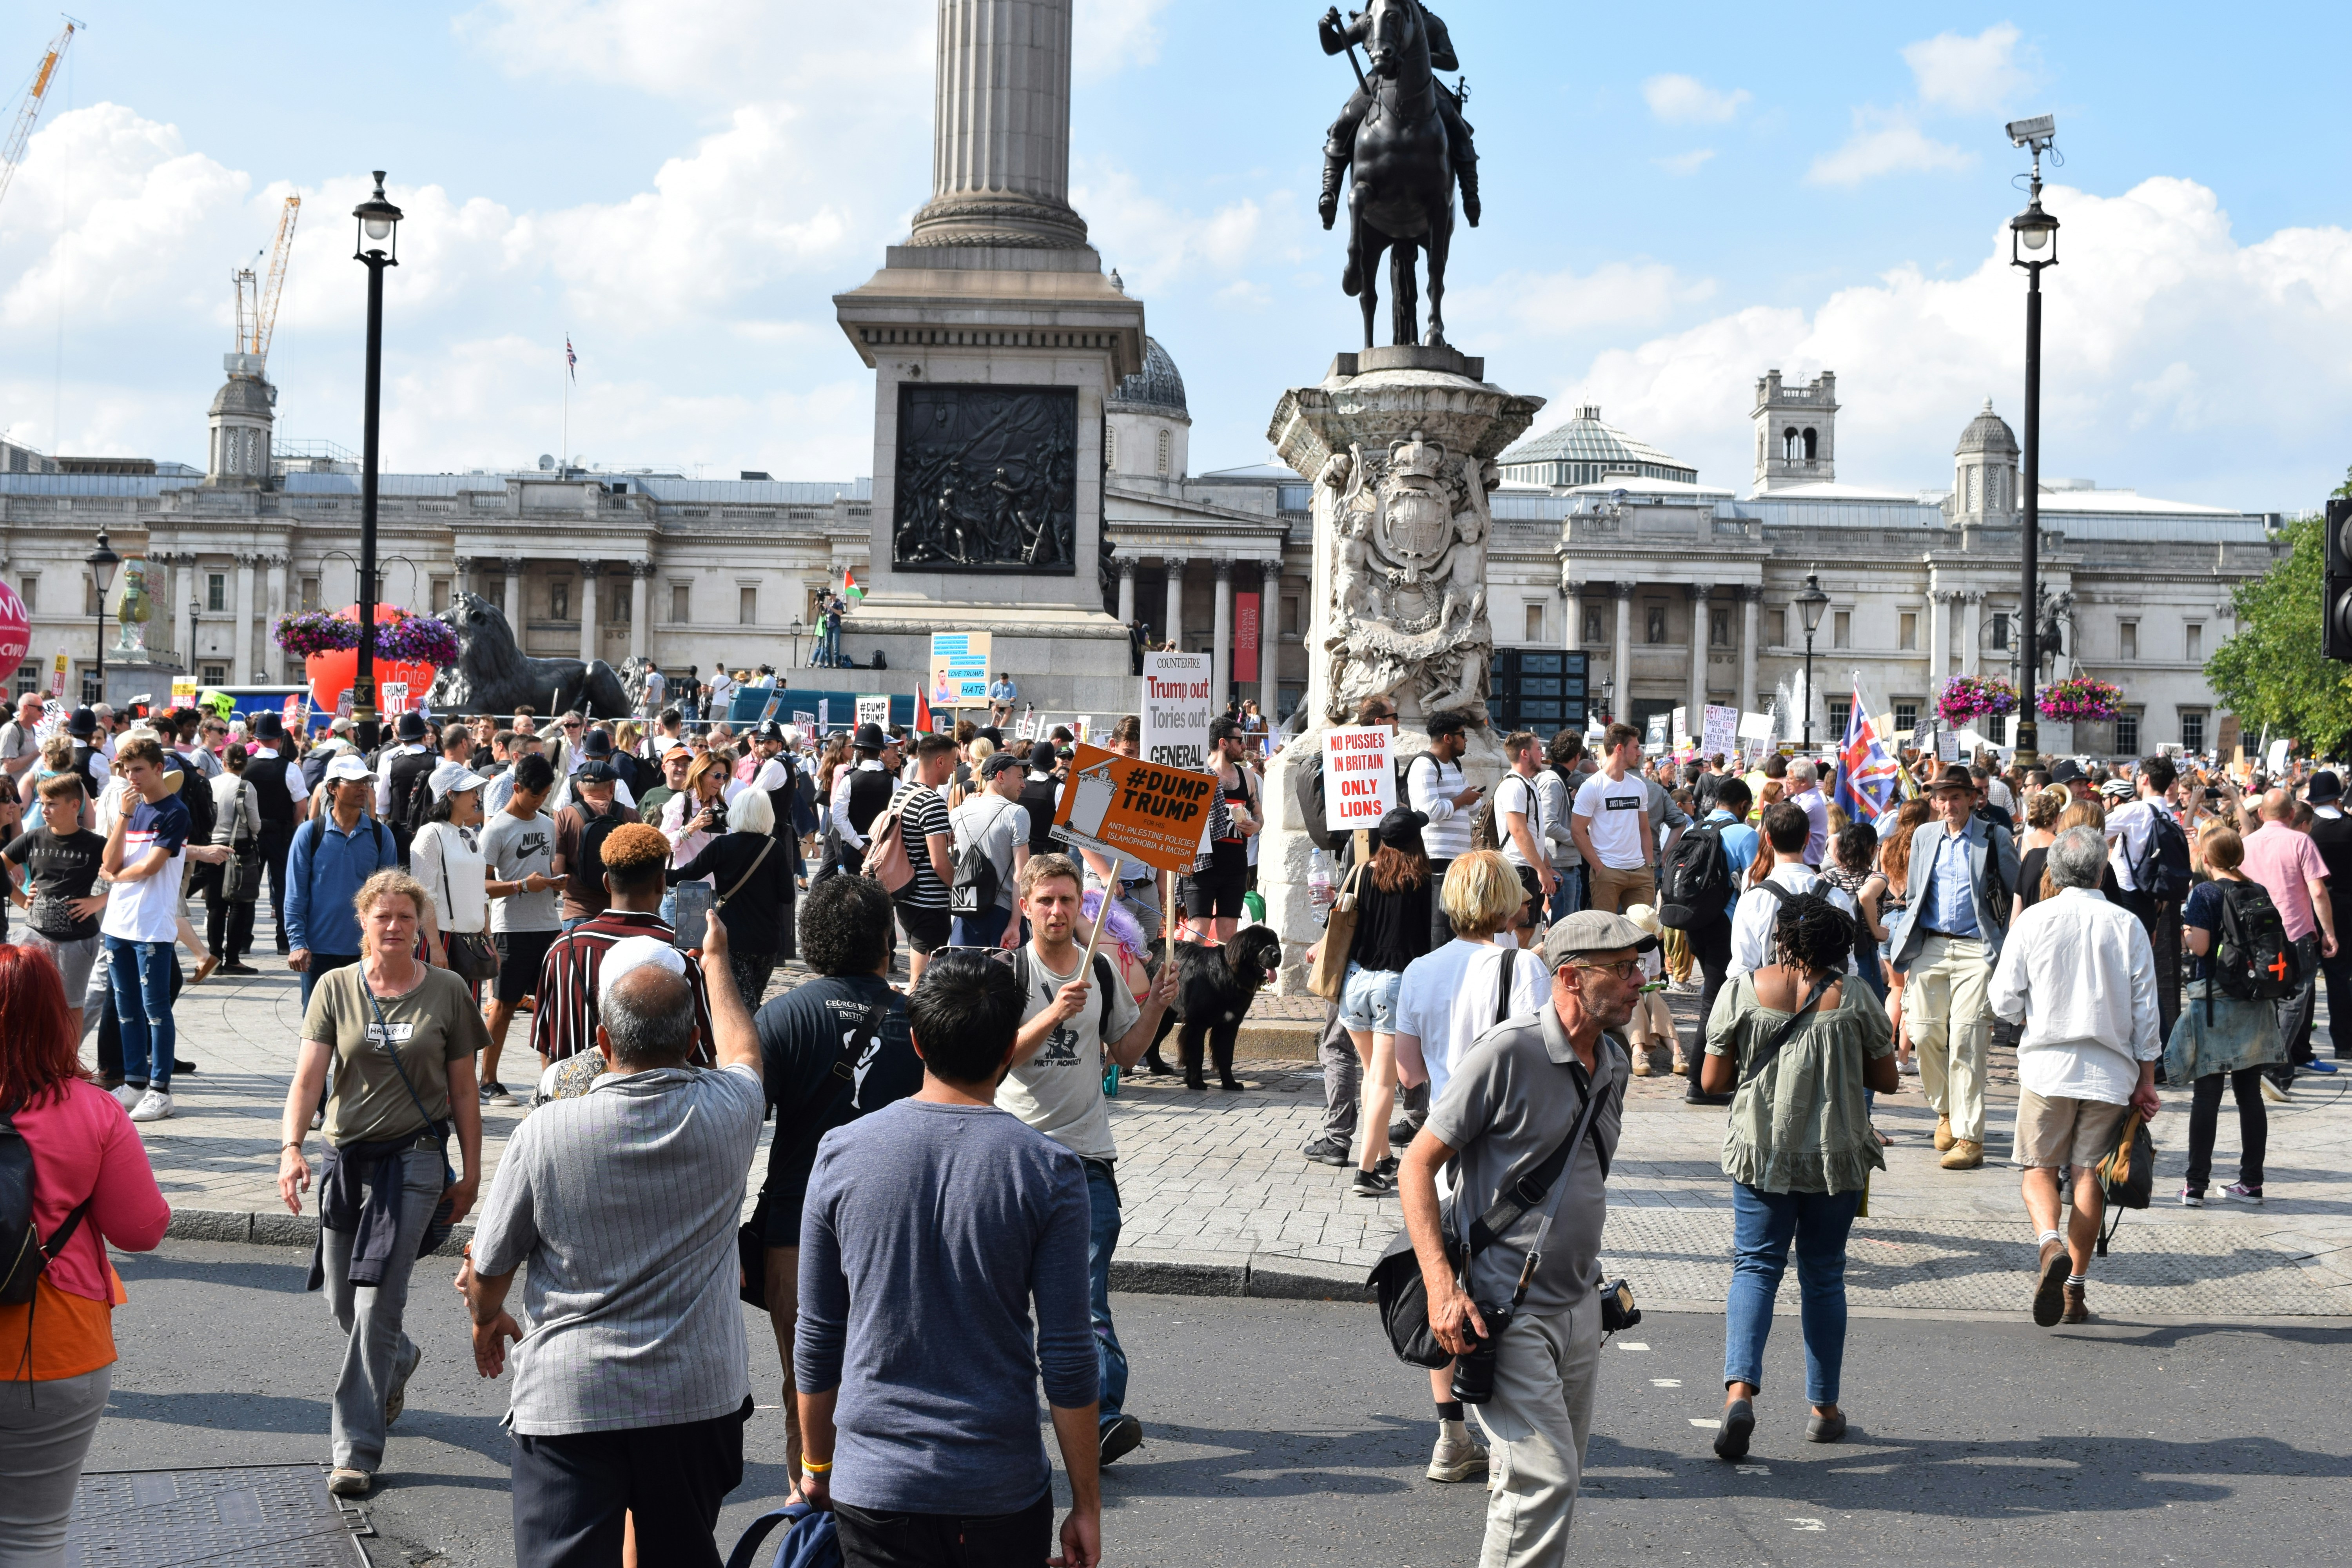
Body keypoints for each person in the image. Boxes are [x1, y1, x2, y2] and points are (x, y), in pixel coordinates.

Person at [464, 918, 761, 1563]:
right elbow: (744, 1052)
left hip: (571, 1399)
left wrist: (487, 1318)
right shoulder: (732, 1113)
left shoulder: (545, 1133)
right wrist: (715, 961)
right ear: (693, 1039)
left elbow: (488, 1268)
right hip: (695, 1396)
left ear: (602, 1041)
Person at [796, 948, 1102, 1568]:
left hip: (874, 1483)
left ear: (917, 1042)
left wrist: (816, 1465)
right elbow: (1068, 1355)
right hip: (999, 1486)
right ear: (1009, 1049)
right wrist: (1087, 1505)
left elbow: (819, 1333)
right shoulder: (1050, 1171)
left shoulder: (840, 1154)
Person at [1397, 909, 1638, 1565]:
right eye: (1622, 970)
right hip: (1507, 1309)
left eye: (1637, 968)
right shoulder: (1509, 1052)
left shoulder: (1613, 1061)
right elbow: (1416, 1166)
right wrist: (1443, 1289)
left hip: (1580, 1305)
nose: (1638, 982)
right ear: (1571, 977)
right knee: (1545, 1482)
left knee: (1541, 1483)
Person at [279, 869, 486, 1498]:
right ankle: (399, 1359)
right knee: (342, 1301)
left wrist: (473, 1173)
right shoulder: (335, 987)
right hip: (347, 1161)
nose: (395, 927)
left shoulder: (448, 991)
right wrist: (291, 1149)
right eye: (383, 917)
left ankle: (355, 1451)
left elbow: (464, 1091)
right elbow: (309, 1080)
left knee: (376, 1306)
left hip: (414, 1160)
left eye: (406, 917)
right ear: (363, 923)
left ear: (420, 925)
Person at [1699, 889, 1894, 1456]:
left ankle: (1739, 1394)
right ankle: (1824, 1408)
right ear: (1838, 945)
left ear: (1782, 939)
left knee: (1756, 1267)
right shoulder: (1855, 996)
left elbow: (1712, 1082)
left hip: (1763, 1151)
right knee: (1824, 1275)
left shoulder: (1742, 990)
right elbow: (1886, 1080)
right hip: (1835, 1155)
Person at [1000, 854, 1178, 1468]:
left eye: (1067, 901)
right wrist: (1055, 1012)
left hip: (1087, 1161)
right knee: (1002, 1300)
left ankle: (1102, 1419)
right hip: (1015, 1161)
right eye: (1046, 901)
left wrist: (1155, 1007)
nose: (1057, 911)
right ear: (1026, 907)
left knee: (1086, 1297)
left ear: (1082, 906)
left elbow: (1125, 1054)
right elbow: (996, 1060)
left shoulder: (1099, 969)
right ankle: (1002, 1413)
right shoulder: (1009, 973)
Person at [750, 876, 924, 1496]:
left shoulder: (780, 1017)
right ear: (886, 942)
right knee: (892, 1384)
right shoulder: (921, 1023)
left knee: (806, 1382)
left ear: (811, 942)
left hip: (796, 1232)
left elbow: (738, 1126)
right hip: (900, 1234)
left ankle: (808, 1505)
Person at [0, 942, 171, 1559]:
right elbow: (141, 1230)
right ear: (58, 1017)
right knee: (31, 1535)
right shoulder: (94, 1110)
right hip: (55, 1348)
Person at [1988, 826, 2162, 1326]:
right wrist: (2147, 1078)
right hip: (2110, 1072)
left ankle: (2049, 1244)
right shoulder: (2127, 924)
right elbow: (2147, 1011)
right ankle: (2074, 1289)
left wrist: (2030, 1015)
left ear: (2053, 873)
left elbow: (2003, 1000)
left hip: (2047, 1067)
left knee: (2039, 1168)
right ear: (2102, 871)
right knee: (2089, 1175)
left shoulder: (2034, 920)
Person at [1885, 765, 2018, 1172]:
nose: (1948, 805)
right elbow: (1914, 892)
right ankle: (1946, 1111)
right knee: (1923, 1033)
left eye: (1956, 797)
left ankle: (1970, 1138)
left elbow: (2014, 892)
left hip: (1977, 949)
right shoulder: (1925, 836)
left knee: (1966, 1040)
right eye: (1941, 798)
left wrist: (2007, 944)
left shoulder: (1994, 836)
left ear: (1973, 799)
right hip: (1931, 944)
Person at [532, 822, 716, 1071]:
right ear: (662, 884)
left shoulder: (563, 948)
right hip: (659, 1094)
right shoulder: (683, 953)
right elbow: (703, 1056)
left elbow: (547, 1047)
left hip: (575, 1093)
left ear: (607, 882)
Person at [2169, 825, 2285, 1205]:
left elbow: (2201, 947)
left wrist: (2186, 932)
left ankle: (2195, 1185)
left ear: (2206, 858)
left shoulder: (2204, 893)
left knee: (2208, 1094)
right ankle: (2251, 1182)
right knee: (2249, 1094)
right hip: (2253, 997)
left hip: (2215, 1000)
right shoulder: (2257, 889)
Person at [1328, 807, 1437, 1197]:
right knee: (1383, 1082)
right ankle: (1366, 1171)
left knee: (1373, 1075)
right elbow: (1423, 943)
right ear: (1414, 841)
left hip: (1355, 982)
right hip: (1394, 984)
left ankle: (1383, 1156)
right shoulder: (1420, 880)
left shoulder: (1362, 873)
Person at [97, 737, 190, 1123]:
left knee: (155, 1010)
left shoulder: (175, 811)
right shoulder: (130, 808)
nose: (131, 776)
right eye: (126, 769)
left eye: (138, 769)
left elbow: (150, 867)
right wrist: (123, 816)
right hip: (118, 923)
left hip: (152, 925)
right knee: (126, 1009)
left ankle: (160, 1090)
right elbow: (110, 860)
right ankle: (134, 1082)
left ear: (158, 769)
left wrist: (115, 877)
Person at [478, 753, 564, 1106]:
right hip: (510, 929)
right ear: (516, 788)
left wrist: (556, 883)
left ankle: (550, 1083)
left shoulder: (548, 825)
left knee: (551, 1007)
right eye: (534, 795)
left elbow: (547, 869)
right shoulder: (496, 829)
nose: (540, 801)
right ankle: (488, 1080)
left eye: (545, 795)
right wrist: (522, 886)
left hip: (549, 925)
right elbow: (480, 885)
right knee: (504, 1005)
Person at [2240, 788, 2337, 1096]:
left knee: (2265, 998)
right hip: (2295, 933)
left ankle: (2265, 1065)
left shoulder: (2246, 844)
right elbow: (2318, 891)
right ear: (2292, 814)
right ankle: (2274, 1067)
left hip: (2256, 935)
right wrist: (2329, 932)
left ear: (2260, 814)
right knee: (2295, 997)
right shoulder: (2301, 841)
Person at [286, 755, 401, 1009]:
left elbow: (389, 899)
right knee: (318, 1027)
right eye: (355, 782)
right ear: (332, 788)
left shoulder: (381, 835)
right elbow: (295, 895)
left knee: (363, 1027)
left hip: (366, 952)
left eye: (366, 783)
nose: (363, 788)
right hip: (318, 951)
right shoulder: (309, 834)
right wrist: (297, 943)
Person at [668, 788, 797, 1011]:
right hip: (766, 939)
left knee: (740, 1005)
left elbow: (685, 875)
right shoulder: (773, 847)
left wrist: (648, 870)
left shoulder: (722, 846)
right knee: (752, 1001)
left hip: (732, 937)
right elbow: (788, 895)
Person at [4, 775, 109, 1039]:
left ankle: (68, 1060)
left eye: (52, 804)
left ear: (74, 806)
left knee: (71, 1005)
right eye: (42, 803)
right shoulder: (33, 839)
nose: (44, 810)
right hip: (35, 937)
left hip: (78, 940)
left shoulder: (96, 844)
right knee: (29, 1003)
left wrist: (99, 901)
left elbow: (127, 880)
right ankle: (35, 1058)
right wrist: (20, 899)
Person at [1177, 717, 1261, 944]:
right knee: (1197, 932)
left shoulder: (1248, 777)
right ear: (1223, 743)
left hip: (1235, 866)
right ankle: (1186, 970)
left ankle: (1223, 970)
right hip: (1202, 866)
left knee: (1228, 936)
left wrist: (1255, 825)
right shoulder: (1198, 773)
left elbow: (1259, 816)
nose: (1245, 746)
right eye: (1240, 741)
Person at [1406, 709, 1486, 949]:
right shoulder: (1425, 765)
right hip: (1436, 857)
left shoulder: (1455, 765)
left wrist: (1471, 798)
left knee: (1454, 921)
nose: (1466, 740)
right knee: (1439, 925)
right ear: (1448, 738)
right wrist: (1462, 799)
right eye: (1462, 735)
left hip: (1458, 857)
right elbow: (1428, 812)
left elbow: (1474, 808)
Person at [888, 733, 959, 984]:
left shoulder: (902, 793)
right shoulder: (933, 802)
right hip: (929, 902)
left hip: (906, 895)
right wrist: (959, 888)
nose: (954, 769)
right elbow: (939, 863)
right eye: (953, 762)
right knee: (923, 981)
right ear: (940, 762)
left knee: (923, 976)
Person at [410, 768, 490, 986]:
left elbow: (480, 892)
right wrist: (436, 947)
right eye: (471, 791)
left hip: (473, 941)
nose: (477, 797)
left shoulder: (469, 834)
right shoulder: (430, 834)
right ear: (451, 795)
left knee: (467, 1005)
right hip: (442, 938)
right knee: (437, 1005)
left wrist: (489, 939)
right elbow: (423, 896)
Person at [1571, 722, 1657, 915]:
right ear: (1620, 749)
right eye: (1636, 747)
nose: (1640, 753)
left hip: (1640, 872)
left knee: (1643, 930)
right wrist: (1599, 867)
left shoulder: (1638, 786)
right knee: (1605, 929)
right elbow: (1577, 831)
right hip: (1608, 872)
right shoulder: (1592, 787)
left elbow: (1644, 828)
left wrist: (1649, 866)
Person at [952, 750, 1034, 948]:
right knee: (1006, 969)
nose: (1024, 785)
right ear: (1001, 776)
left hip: (965, 909)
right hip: (1004, 912)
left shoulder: (957, 813)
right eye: (1020, 777)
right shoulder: (1017, 813)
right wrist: (1016, 923)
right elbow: (1021, 874)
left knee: (962, 968)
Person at [550, 759, 639, 935]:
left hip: (579, 912)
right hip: (621, 914)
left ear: (580, 788)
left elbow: (557, 872)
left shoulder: (566, 816)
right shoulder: (632, 817)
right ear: (612, 787)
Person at [2303, 771, 2352, 1063]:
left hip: (2310, 905)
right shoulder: (2349, 828)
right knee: (2340, 975)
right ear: (2337, 798)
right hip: (2346, 906)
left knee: (2305, 976)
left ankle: (2301, 1045)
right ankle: (2344, 1043)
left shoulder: (2308, 830)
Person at [203, 742, 264, 976]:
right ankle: (233, 959)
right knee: (239, 903)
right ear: (245, 765)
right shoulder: (246, 787)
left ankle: (214, 957)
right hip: (239, 849)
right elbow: (255, 823)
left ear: (223, 762)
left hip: (212, 849)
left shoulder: (211, 784)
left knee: (216, 906)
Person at [1494, 731, 1557, 915]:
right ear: (1525, 754)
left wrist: (1547, 868)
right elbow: (1519, 831)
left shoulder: (1529, 784)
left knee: (1528, 928)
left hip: (1529, 868)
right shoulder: (1514, 786)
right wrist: (1542, 870)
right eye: (1538, 749)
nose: (1542, 754)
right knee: (1518, 925)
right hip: (1519, 869)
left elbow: (1534, 832)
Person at [1536, 732, 1586, 922]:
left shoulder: (1555, 778)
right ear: (1577, 757)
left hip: (1564, 862)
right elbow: (1548, 824)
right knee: (1565, 926)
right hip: (1560, 864)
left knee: (1570, 923)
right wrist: (1578, 840)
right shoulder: (1553, 782)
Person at [1784, 759, 1830, 867]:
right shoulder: (1798, 799)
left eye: (1790, 778)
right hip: (1800, 864)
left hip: (1807, 866)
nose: (1787, 782)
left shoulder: (1811, 804)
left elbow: (1783, 826)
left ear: (1803, 781)